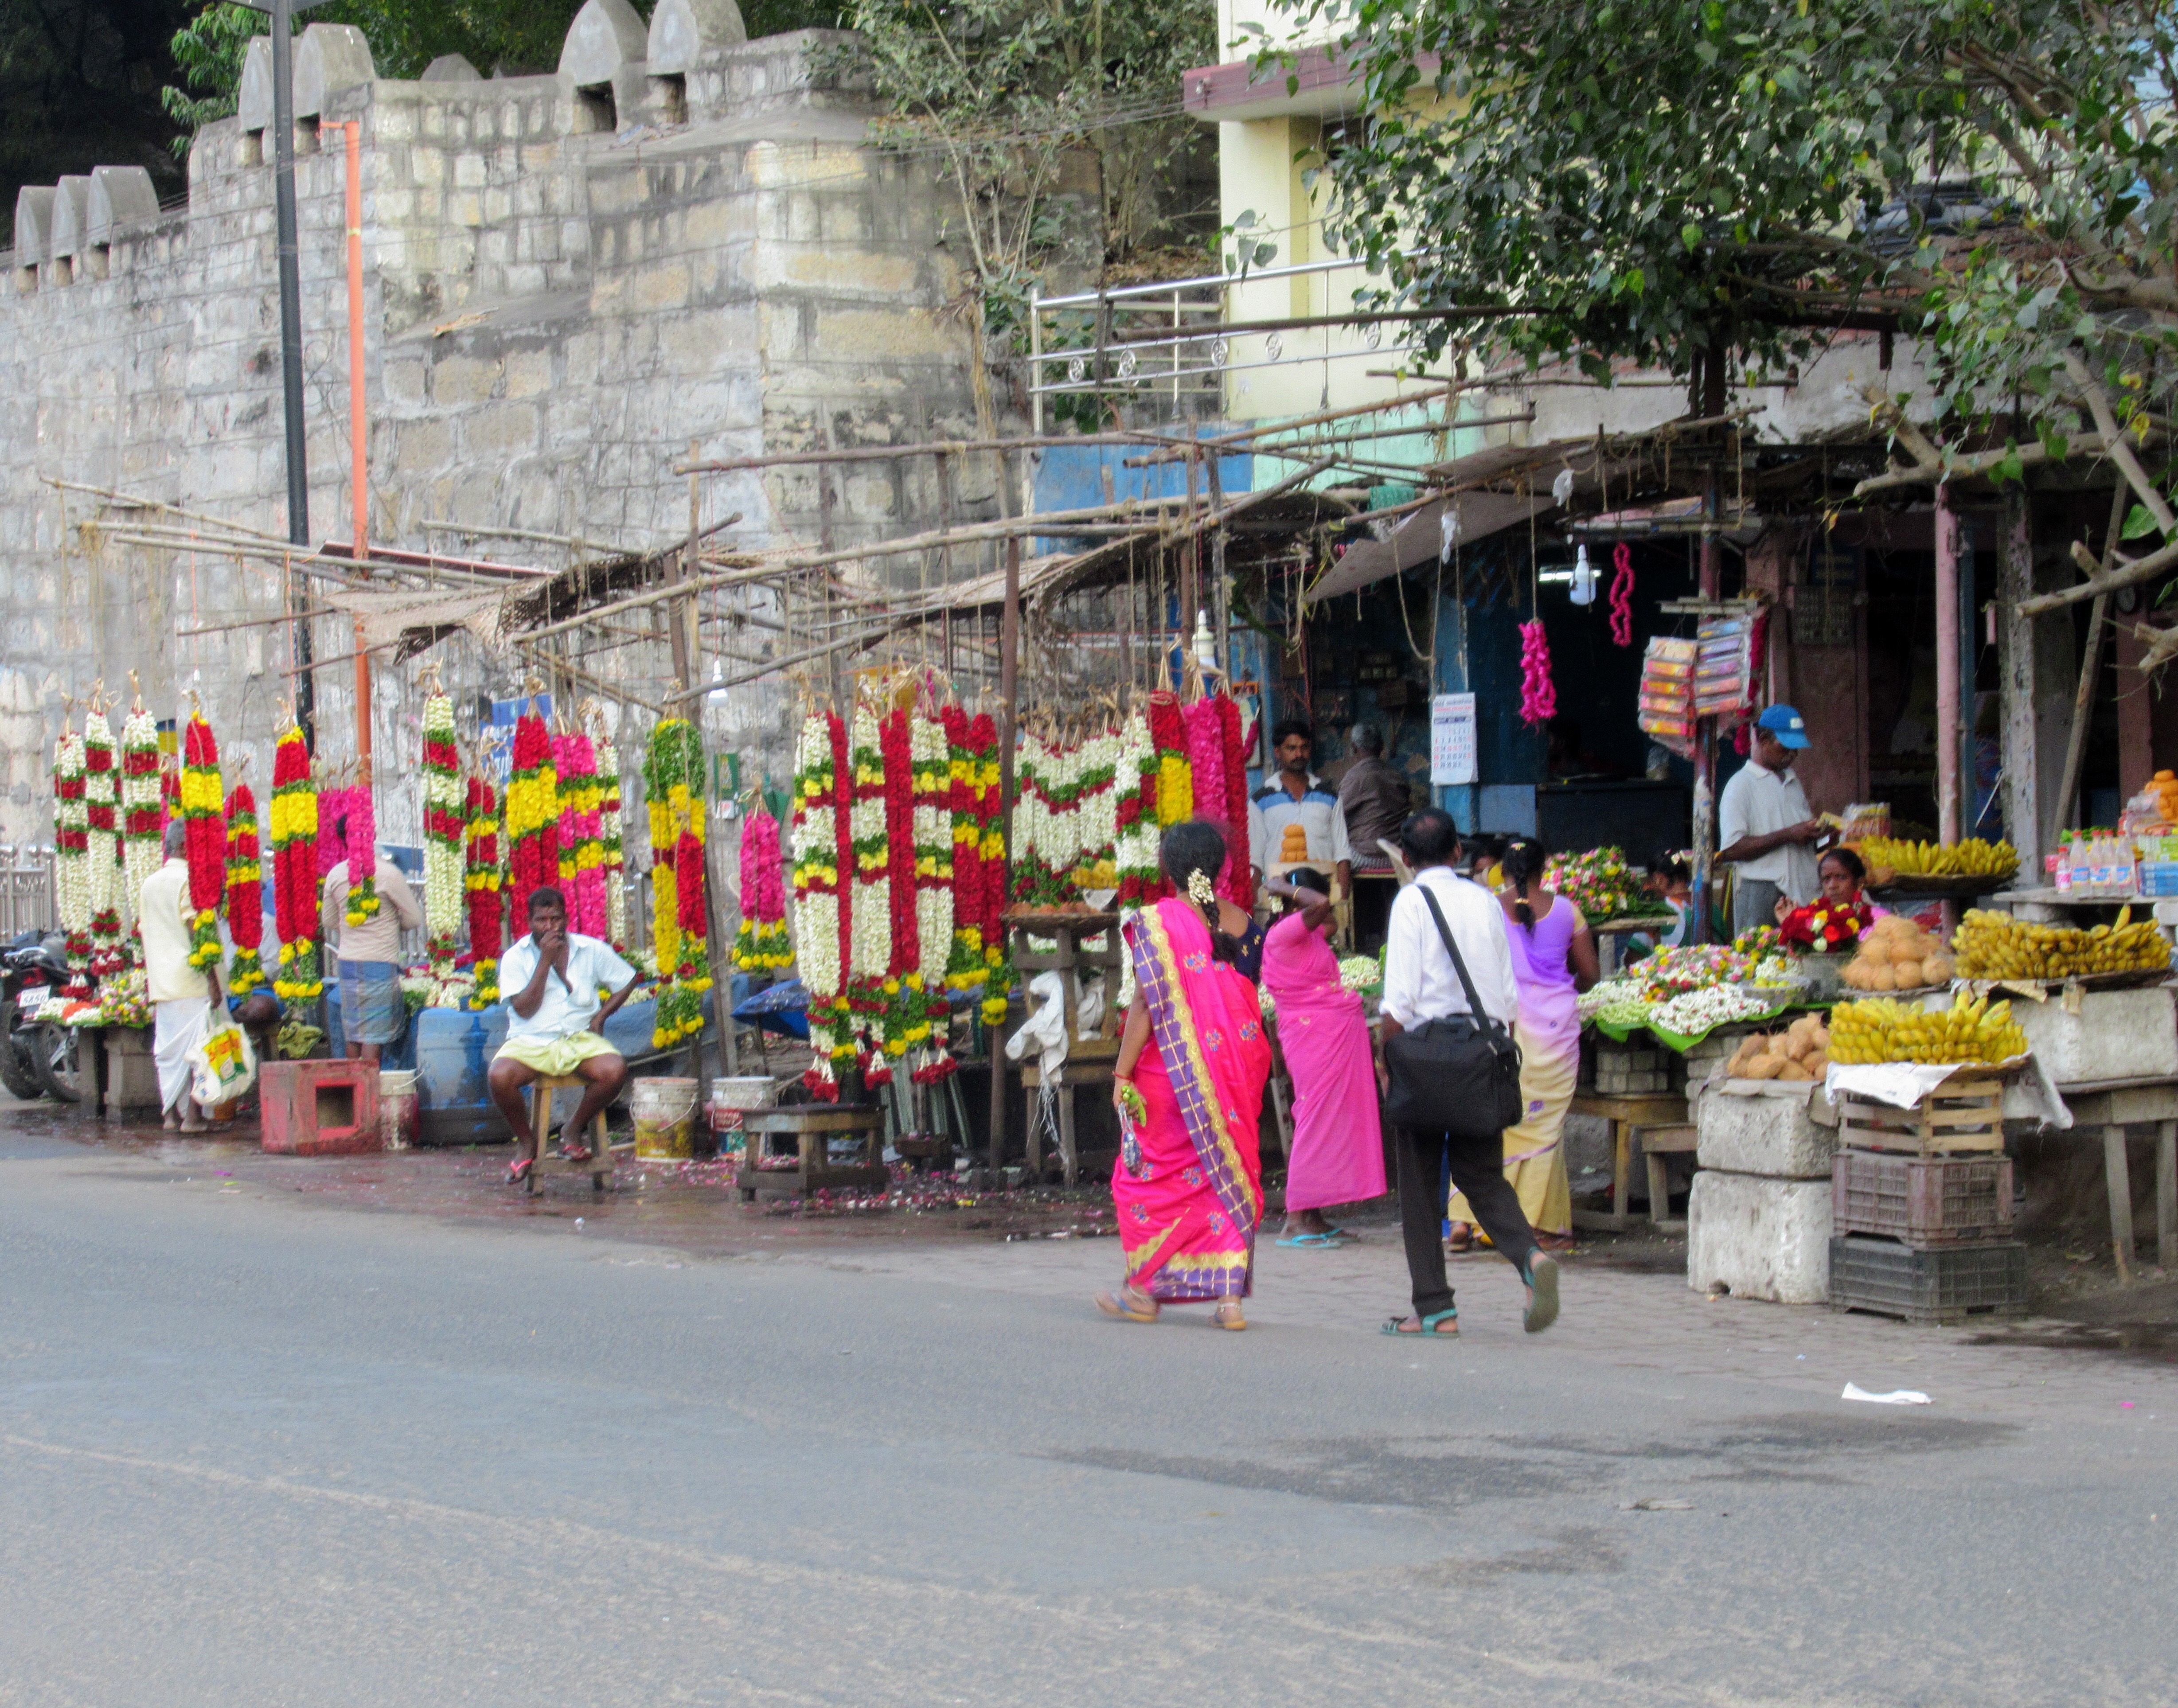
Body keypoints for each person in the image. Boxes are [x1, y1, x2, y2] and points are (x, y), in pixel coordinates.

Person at [1377, 808, 1560, 1338]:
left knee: (1418, 1183)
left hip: (1426, 1052)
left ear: (1406, 859)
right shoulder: (1486, 901)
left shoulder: (1410, 900)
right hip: (1483, 1048)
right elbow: (1505, 997)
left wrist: (1391, 1062)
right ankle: (1529, 1257)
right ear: (1458, 852)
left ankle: (1435, 1306)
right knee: (1482, 1174)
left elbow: (1400, 1000)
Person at [1098, 820, 1275, 1331]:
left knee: (1148, 1180)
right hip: (1236, 1072)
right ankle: (1229, 1303)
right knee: (1226, 1177)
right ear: (1221, 868)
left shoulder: (1157, 922)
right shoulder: (1244, 923)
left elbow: (1145, 1004)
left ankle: (1143, 1291)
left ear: (1165, 867)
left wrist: (1122, 1070)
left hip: (1169, 1077)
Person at [1447, 836, 1595, 1256]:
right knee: (1544, 1128)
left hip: (1504, 1026)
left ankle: (1465, 1219)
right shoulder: (1567, 911)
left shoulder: (1489, 908)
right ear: (1542, 870)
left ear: (1504, 872)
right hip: (1555, 1030)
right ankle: (1534, 1224)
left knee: (1489, 1121)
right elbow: (1590, 974)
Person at [1261, 867, 1386, 1247]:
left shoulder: (1309, 932)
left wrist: (1300, 895)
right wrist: (1282, 887)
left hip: (1329, 1034)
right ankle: (1297, 1219)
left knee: (1326, 1119)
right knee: (1315, 1116)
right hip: (1313, 1036)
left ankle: (1314, 1215)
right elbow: (1322, 905)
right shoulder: (1285, 931)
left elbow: (1327, 916)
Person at [488, 885, 643, 1185]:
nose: (549, 927)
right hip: (530, 1040)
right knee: (499, 1076)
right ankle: (527, 1141)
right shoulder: (516, 957)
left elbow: (628, 978)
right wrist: (545, 960)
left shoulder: (590, 949)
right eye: (542, 921)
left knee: (614, 1070)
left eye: (556, 919)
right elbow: (524, 1010)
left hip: (578, 1038)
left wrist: (600, 1017)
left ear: (566, 919)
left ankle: (573, 1128)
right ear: (530, 922)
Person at [138, 820, 222, 1133]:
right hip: (190, 979)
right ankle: (194, 1118)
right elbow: (196, 931)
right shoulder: (188, 879)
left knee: (168, 1052)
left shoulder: (150, 883)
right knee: (196, 1049)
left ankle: (170, 1117)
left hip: (162, 982)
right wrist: (213, 980)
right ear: (185, 847)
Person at [321, 813, 424, 1065]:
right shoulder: (389, 874)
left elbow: (328, 921)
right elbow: (414, 919)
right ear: (373, 835)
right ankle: (368, 1096)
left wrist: (352, 928)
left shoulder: (335, 875)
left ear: (343, 840)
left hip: (348, 963)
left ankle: (355, 1095)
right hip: (379, 963)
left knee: (354, 1034)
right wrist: (387, 926)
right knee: (373, 1037)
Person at [1717, 705, 1822, 938]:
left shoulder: (1793, 782)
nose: (1792, 754)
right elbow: (1732, 849)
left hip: (1802, 891)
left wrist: (1822, 837)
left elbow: (1802, 840)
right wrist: (1788, 835)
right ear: (1763, 739)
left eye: (1796, 749)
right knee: (1762, 960)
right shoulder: (1740, 785)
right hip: (1763, 891)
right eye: (1786, 747)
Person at [1247, 720, 1353, 901]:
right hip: (1278, 896)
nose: (1299, 754)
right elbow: (1254, 860)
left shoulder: (1330, 797)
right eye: (1291, 748)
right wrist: (1257, 908)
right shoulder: (1261, 800)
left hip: (1322, 893)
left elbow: (1342, 854)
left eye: (1304, 748)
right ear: (1278, 752)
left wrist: (1342, 900)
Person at [1336, 724, 1414, 862]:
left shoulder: (1355, 778)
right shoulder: (1396, 775)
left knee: (1334, 857)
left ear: (1353, 748)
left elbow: (1336, 815)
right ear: (1382, 746)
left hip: (1366, 855)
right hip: (1396, 854)